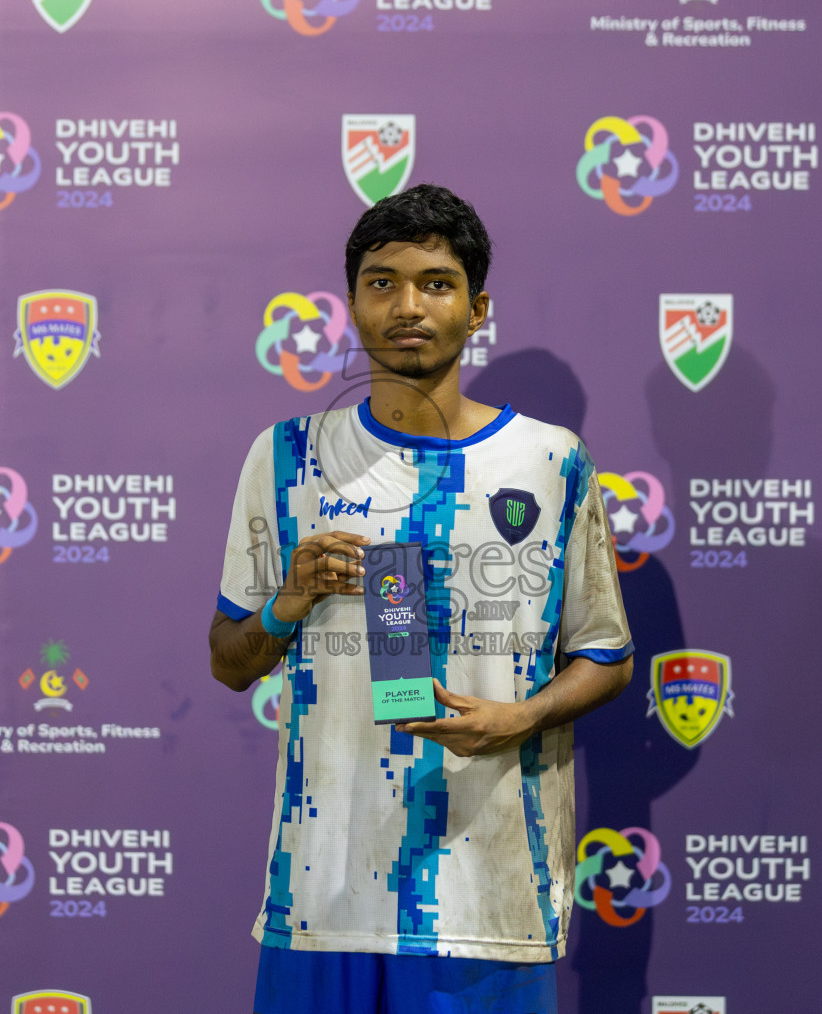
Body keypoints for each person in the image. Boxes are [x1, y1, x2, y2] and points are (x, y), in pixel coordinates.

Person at [209, 184, 634, 1014]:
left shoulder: (553, 461)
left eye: (436, 283)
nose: (408, 305)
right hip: (321, 899)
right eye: (382, 282)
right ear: (352, 305)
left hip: (490, 904)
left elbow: (607, 657)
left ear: (478, 309)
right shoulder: (287, 456)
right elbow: (229, 661)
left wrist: (516, 719)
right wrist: (288, 600)